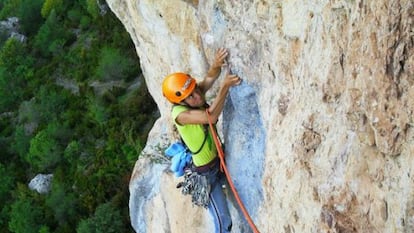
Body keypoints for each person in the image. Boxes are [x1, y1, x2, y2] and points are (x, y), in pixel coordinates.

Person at [162, 48, 241, 233]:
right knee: (223, 221)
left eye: (195, 90)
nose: (197, 96)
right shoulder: (181, 115)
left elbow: (208, 79)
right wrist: (224, 87)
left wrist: (215, 64)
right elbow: (211, 116)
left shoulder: (192, 95)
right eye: (190, 96)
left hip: (219, 162)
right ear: (180, 101)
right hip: (207, 174)